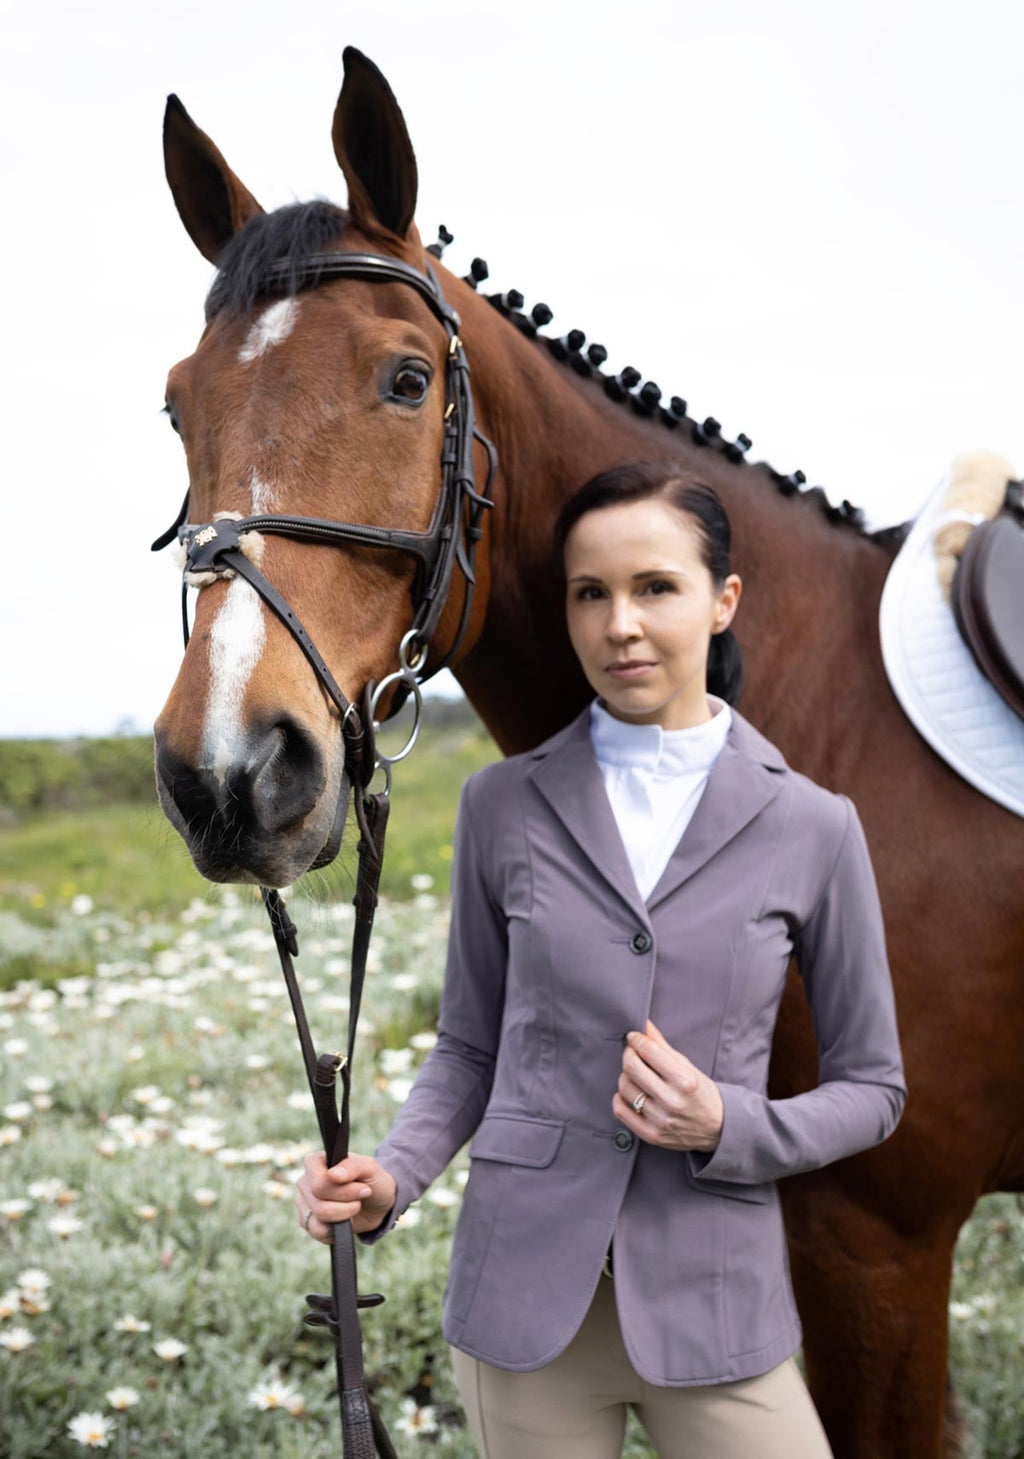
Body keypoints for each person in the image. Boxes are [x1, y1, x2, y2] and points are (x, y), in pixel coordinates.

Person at [296, 460, 908, 1458]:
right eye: (592, 594)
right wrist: (391, 1176)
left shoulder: (815, 826)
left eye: (654, 587)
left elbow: (874, 1087)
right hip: (521, 1305)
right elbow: (468, 1046)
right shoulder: (499, 805)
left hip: (717, 1307)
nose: (619, 624)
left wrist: (726, 1122)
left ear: (722, 601)